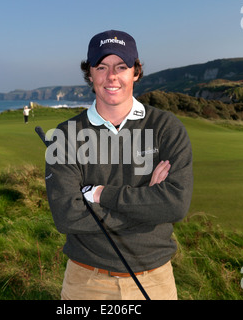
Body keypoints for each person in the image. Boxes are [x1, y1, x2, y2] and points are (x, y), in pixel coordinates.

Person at [45, 30, 193, 300]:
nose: (111, 76)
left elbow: (175, 204)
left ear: (135, 72)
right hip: (86, 282)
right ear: (89, 73)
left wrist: (102, 194)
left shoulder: (166, 127)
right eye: (101, 67)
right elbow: (67, 216)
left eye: (121, 67)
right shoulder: (65, 135)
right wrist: (148, 204)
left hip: (155, 281)